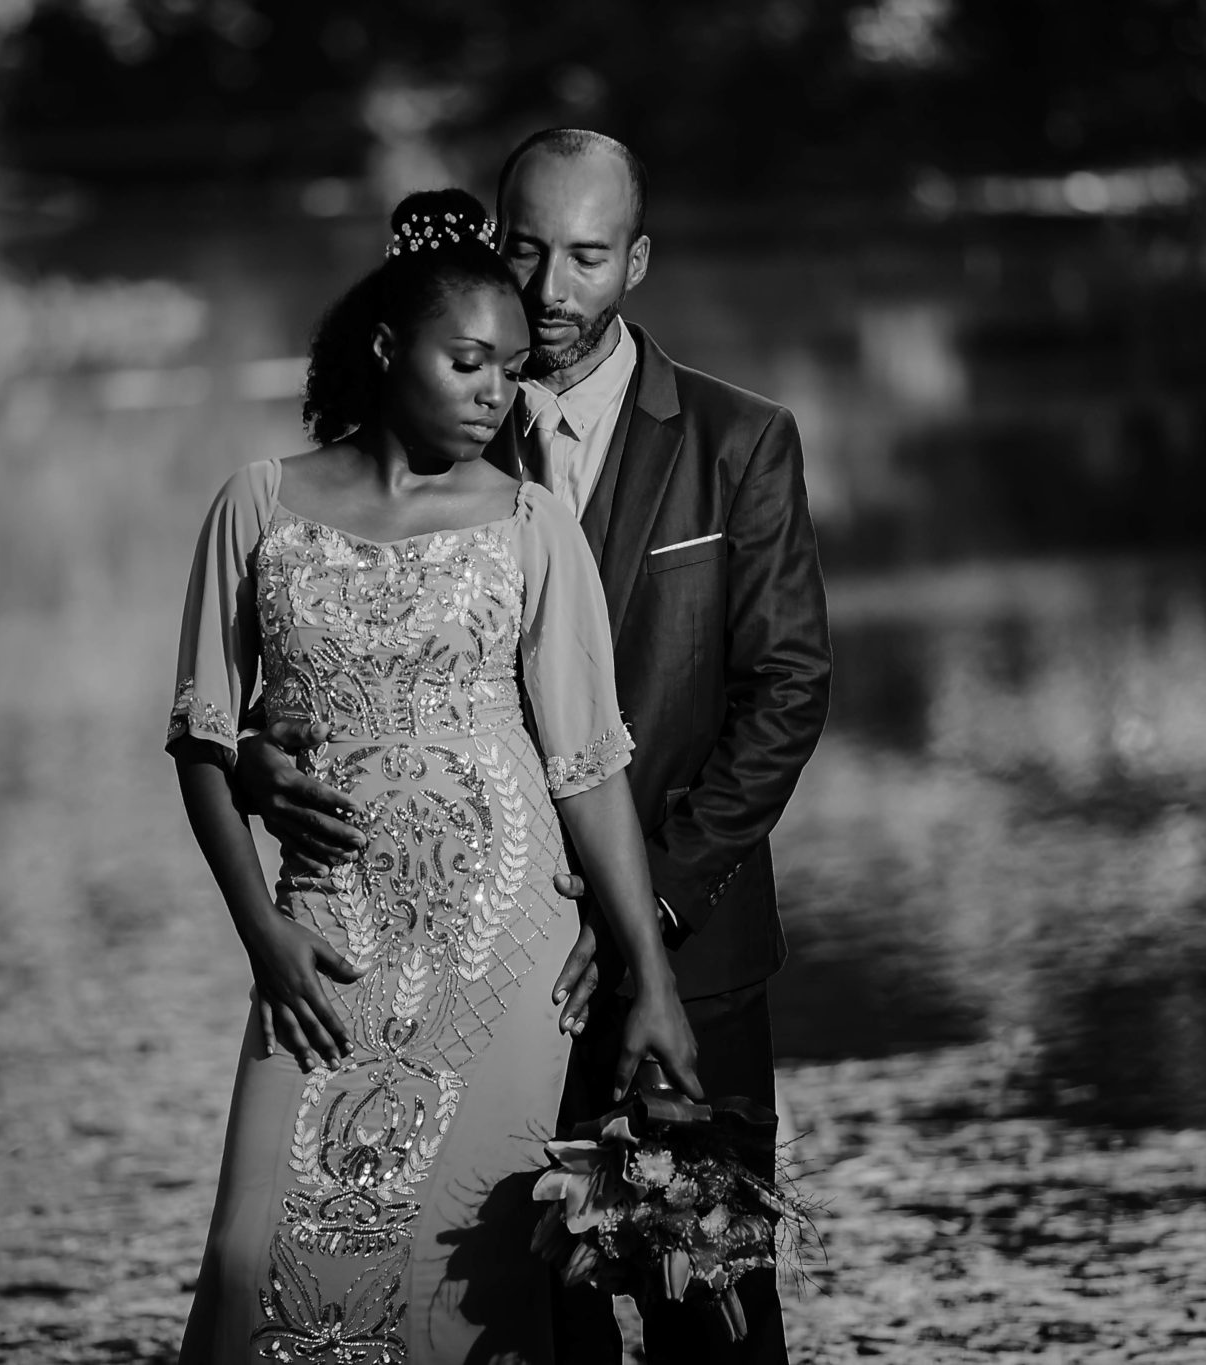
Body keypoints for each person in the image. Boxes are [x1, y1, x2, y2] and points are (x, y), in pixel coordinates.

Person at [239, 134, 833, 1364]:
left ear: (637, 261)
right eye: (524, 250)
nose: (551, 290)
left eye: (587, 257)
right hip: (487, 970)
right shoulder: (436, 426)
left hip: (690, 952)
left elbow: (784, 695)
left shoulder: (738, 440)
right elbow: (336, 650)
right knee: (515, 1313)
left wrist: (644, 908)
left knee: (715, 1312)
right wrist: (264, 750)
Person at [168, 187, 703, 1365]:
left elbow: (586, 769)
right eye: (466, 363)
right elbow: (202, 743)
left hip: (500, 952)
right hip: (322, 942)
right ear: (384, 348)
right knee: (252, 1259)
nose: (492, 393)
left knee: (472, 1278)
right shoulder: (256, 505)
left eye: (509, 371)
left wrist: (650, 979)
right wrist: (260, 933)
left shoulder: (530, 524)